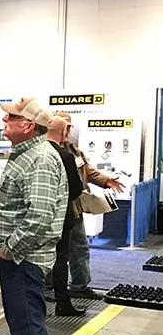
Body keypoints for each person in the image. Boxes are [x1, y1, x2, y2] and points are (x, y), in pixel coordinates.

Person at [0, 97, 67, 335]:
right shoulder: (26, 155)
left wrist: (9, 249)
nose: (4, 122)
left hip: (24, 259)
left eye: (11, 118)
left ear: (28, 126)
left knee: (29, 329)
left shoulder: (40, 158)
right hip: (20, 258)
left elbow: (40, 216)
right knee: (23, 327)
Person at [54, 112, 126, 299]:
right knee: (53, 250)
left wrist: (107, 180)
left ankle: (79, 285)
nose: (67, 130)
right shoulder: (47, 151)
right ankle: (49, 287)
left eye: (69, 126)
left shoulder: (74, 150)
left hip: (73, 209)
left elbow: (87, 170)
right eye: (64, 126)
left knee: (79, 247)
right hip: (53, 210)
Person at [46, 117, 88, 316]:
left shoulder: (34, 152)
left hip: (37, 217)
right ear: (63, 131)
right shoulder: (64, 155)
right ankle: (62, 302)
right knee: (61, 258)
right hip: (61, 217)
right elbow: (75, 188)